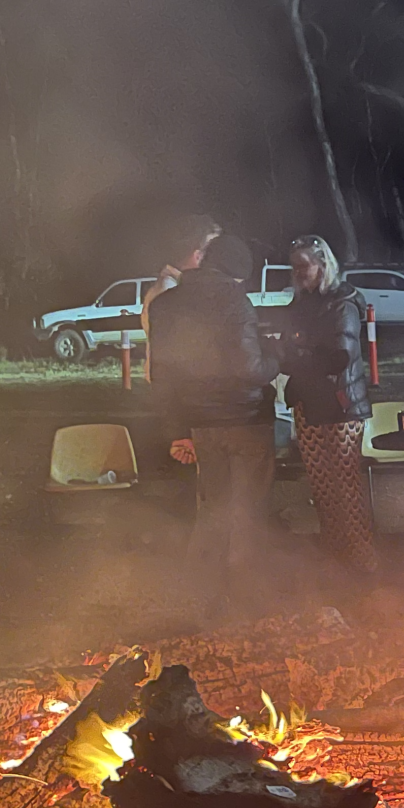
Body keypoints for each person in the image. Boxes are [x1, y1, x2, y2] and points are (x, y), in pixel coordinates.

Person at [149, 233, 279, 610]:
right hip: (245, 422)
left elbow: (163, 375)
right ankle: (246, 599)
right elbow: (250, 368)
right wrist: (277, 356)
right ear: (238, 274)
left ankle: (201, 597)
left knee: (212, 509)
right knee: (248, 512)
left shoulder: (166, 305)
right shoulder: (235, 302)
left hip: (199, 426)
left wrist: (176, 431)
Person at [275, 235, 374, 573]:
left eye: (304, 265)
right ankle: (335, 556)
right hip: (307, 403)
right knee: (321, 486)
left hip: (341, 404)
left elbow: (339, 356)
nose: (299, 273)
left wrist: (298, 357)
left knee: (346, 486)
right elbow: (286, 353)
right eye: (294, 267)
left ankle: (363, 561)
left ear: (323, 264)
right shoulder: (297, 305)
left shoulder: (341, 303)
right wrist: (289, 356)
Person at [141, 215, 221, 383]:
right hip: (180, 387)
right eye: (211, 251)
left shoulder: (177, 286)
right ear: (197, 255)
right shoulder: (169, 291)